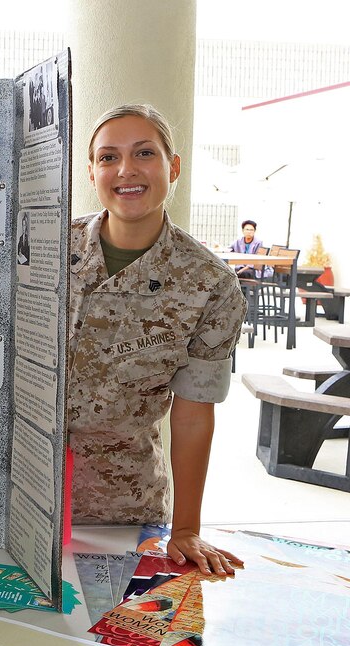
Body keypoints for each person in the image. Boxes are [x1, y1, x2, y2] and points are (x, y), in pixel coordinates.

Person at [69, 103, 246, 576]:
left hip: (124, 509)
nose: (126, 170)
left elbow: (192, 415)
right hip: (22, 498)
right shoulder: (43, 251)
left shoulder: (209, 284)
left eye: (144, 153)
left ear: (174, 166)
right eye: (108, 158)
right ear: (91, 171)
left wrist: (186, 529)